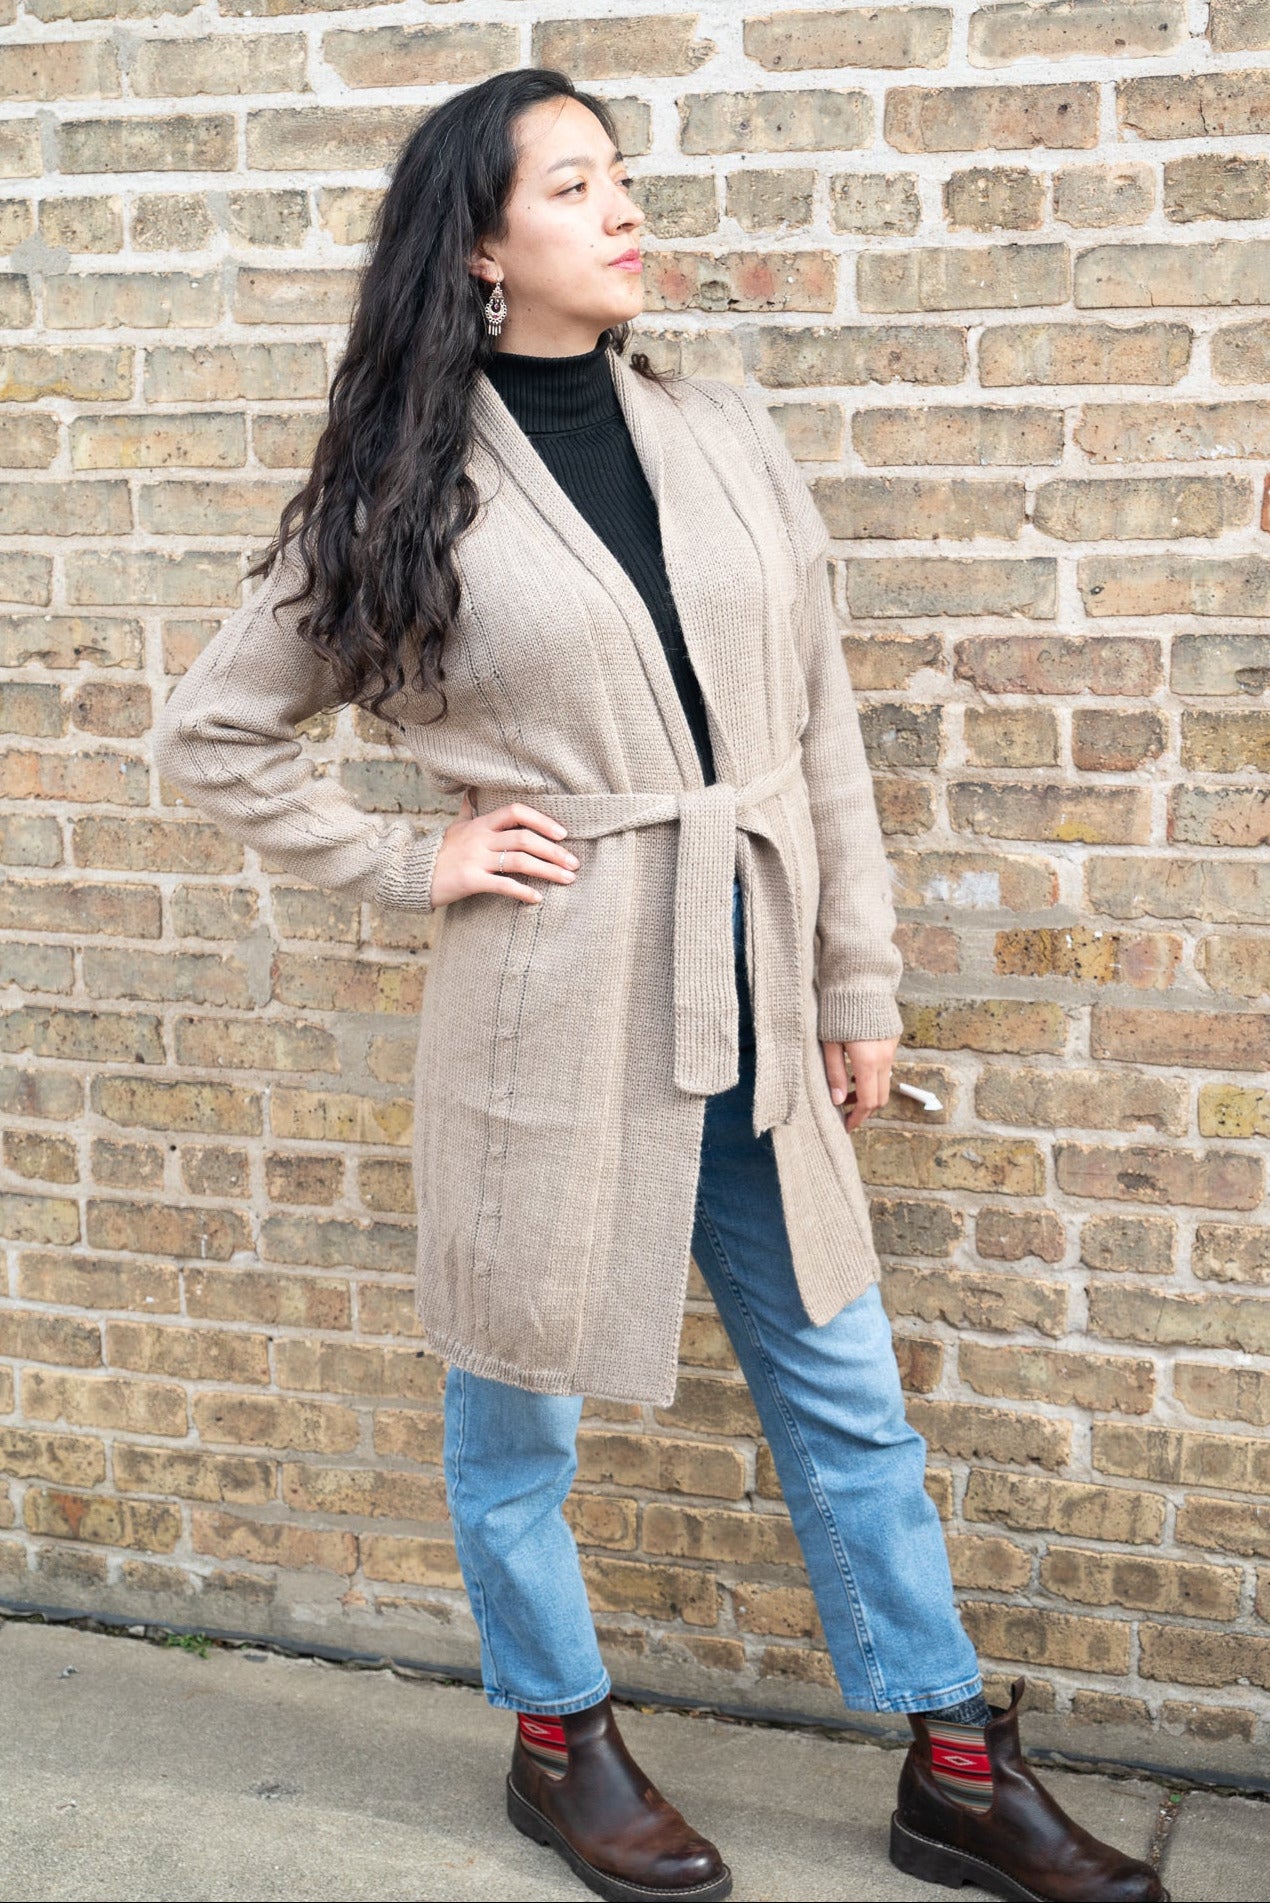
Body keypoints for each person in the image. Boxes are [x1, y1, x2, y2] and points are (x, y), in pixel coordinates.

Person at [154, 66, 1168, 1903]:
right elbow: (218, 735)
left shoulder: (721, 427)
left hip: (758, 998)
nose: (620, 209)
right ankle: (561, 1741)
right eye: (572, 185)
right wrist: (412, 857)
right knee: (513, 1406)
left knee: (845, 1387)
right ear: (479, 242)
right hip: (548, 1010)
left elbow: (818, 734)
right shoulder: (401, 480)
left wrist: (857, 984)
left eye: (620, 177)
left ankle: (951, 1759)